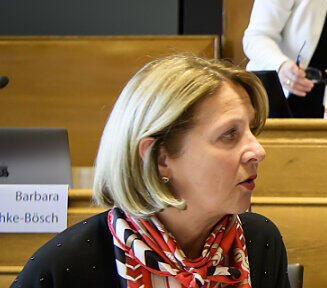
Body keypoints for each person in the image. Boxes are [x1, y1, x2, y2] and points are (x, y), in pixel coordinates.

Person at [13, 54, 289, 288]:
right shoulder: (65, 267)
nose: (258, 151)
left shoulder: (260, 241)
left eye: (251, 130)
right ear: (160, 157)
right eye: (230, 134)